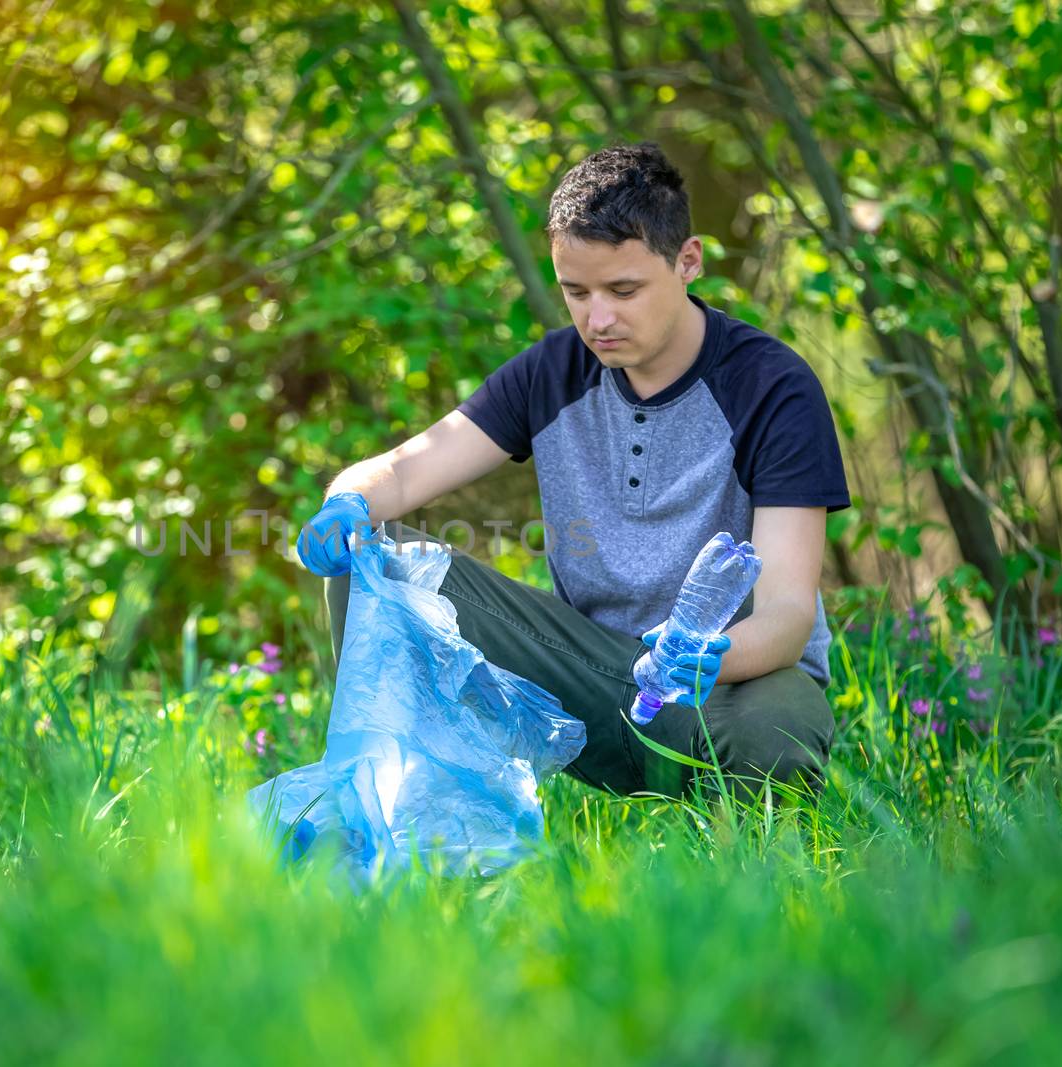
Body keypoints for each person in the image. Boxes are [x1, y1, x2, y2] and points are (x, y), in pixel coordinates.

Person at [296, 142, 850, 803]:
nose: (598, 319)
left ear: (688, 262)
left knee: (778, 736)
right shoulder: (552, 373)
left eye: (624, 289)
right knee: (373, 567)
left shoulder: (773, 387)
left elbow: (787, 615)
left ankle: (739, 853)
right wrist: (347, 502)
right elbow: (403, 472)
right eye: (576, 292)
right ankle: (409, 813)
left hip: (725, 683)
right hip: (585, 677)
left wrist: (706, 658)